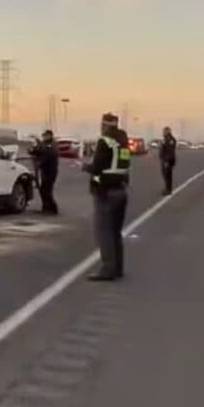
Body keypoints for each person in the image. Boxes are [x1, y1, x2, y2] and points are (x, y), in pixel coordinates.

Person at [83, 113, 131, 281]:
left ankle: (107, 268)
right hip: (121, 191)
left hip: (105, 192)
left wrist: (86, 167)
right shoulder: (123, 143)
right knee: (116, 232)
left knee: (104, 232)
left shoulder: (105, 141)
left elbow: (98, 167)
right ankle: (118, 267)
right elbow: (123, 164)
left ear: (104, 125)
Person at [28, 129, 60, 214]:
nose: (44, 137)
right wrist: (32, 151)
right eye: (43, 136)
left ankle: (53, 208)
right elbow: (39, 150)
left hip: (50, 171)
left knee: (47, 190)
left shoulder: (53, 145)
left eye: (45, 135)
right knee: (43, 190)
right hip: (44, 170)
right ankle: (46, 208)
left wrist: (39, 162)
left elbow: (48, 154)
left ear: (50, 136)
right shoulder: (44, 144)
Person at [159, 126, 177, 196]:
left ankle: (168, 189)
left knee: (167, 175)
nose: (163, 132)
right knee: (165, 174)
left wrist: (167, 161)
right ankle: (167, 188)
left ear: (168, 132)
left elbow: (170, 151)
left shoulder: (170, 139)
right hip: (165, 159)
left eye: (164, 131)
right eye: (163, 131)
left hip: (168, 160)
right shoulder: (166, 139)